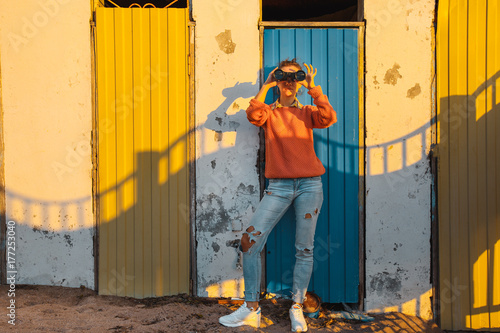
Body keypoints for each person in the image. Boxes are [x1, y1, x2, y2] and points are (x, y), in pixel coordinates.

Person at [219, 58, 336, 332]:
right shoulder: (270, 113)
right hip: (279, 187)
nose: (289, 81)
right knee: (249, 241)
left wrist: (312, 87)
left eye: (294, 77)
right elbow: (253, 114)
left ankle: (296, 308)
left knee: (304, 249)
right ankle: (251, 308)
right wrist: (268, 83)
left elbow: (328, 117)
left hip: (310, 185)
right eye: (285, 77)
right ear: (278, 79)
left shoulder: (307, 112)